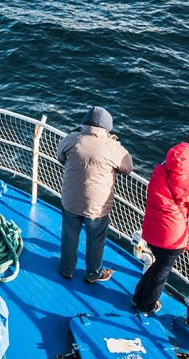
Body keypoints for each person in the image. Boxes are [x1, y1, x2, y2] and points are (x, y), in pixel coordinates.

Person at [56, 106, 133, 282]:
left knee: (69, 235)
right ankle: (93, 274)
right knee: (96, 240)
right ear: (107, 127)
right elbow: (128, 168)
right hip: (97, 207)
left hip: (71, 200)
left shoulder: (71, 139)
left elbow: (61, 157)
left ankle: (67, 270)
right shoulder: (113, 146)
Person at [132, 142, 189, 313]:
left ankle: (137, 297)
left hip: (151, 232)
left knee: (157, 266)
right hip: (172, 239)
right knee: (161, 272)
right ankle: (146, 305)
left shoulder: (158, 173)